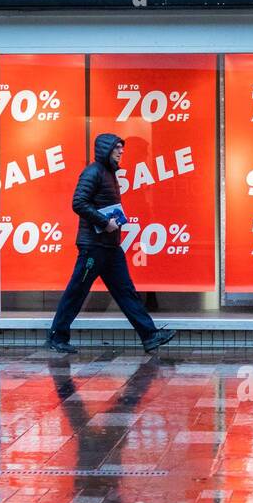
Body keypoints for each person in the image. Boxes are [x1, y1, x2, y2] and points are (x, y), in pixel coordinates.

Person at [47, 132, 176, 355]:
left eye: (121, 148)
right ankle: (57, 336)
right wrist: (105, 222)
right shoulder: (93, 172)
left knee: (126, 291)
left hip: (109, 246)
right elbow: (78, 203)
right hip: (94, 246)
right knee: (77, 290)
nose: (121, 151)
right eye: (117, 148)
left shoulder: (108, 173)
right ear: (106, 149)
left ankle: (150, 335)